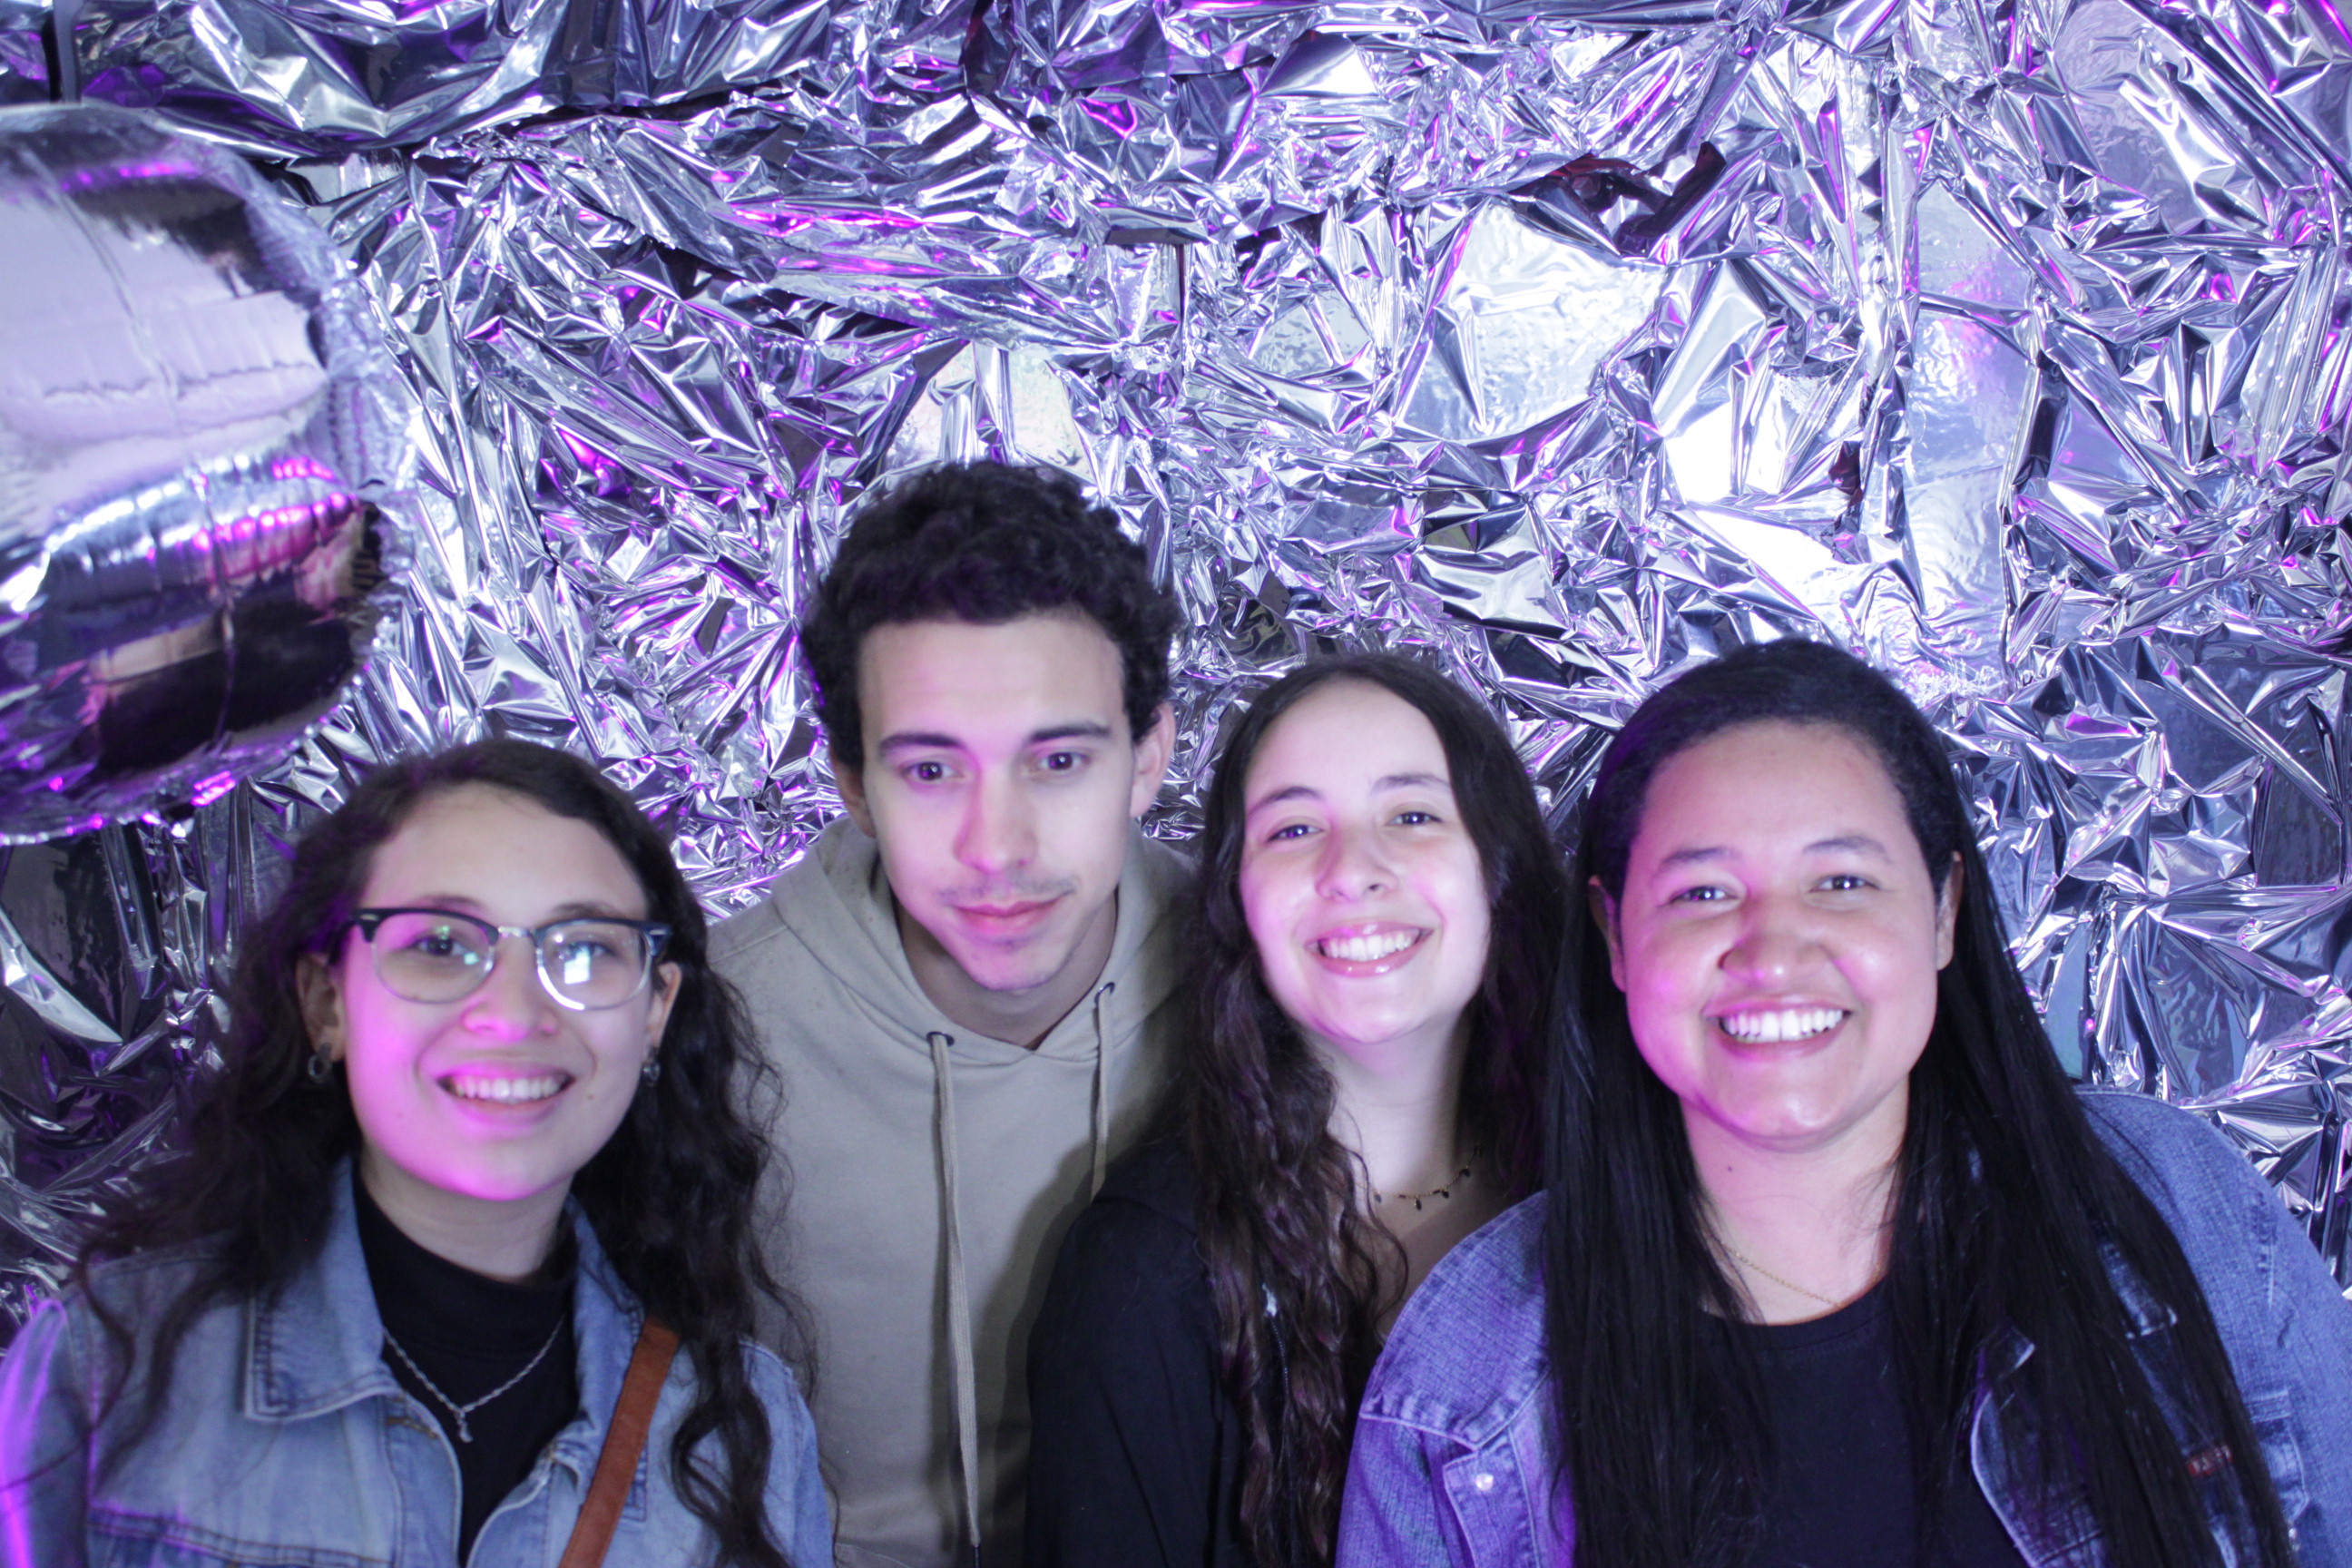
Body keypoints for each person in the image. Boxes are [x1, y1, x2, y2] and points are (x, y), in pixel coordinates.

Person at [1338, 638, 2352, 1568]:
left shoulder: (2176, 1202)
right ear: (1614, 938)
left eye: (1842, 882)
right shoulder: (1465, 1379)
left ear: (1944, 910)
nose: (1774, 952)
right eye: (1702, 893)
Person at [0, 738, 830, 1567]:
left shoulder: (742, 1429)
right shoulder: (106, 1366)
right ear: (326, 1003)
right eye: (440, 946)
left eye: (583, 950)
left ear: (654, 1012)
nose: (513, 1014)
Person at [712, 461, 1188, 1568]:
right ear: (854, 787)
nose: (997, 848)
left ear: (1148, 759)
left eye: (1057, 760)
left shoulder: (1256, 982)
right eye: (932, 771)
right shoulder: (714, 1033)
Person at [1026, 652, 1568, 1568]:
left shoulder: (1620, 1195)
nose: (1352, 870)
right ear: (1237, 903)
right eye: (1293, 828)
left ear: (1497, 867)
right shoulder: (1142, 1278)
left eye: (1412, 815)